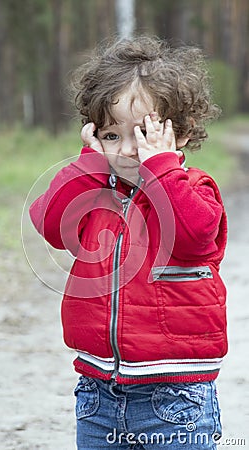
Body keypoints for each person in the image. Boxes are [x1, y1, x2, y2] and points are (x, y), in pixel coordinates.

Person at [29, 36, 227, 449]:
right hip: (99, 392)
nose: (129, 151)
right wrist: (89, 162)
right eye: (112, 136)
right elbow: (51, 225)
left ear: (184, 133)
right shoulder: (95, 193)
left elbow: (193, 236)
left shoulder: (195, 188)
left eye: (145, 133)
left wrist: (162, 167)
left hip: (175, 395)